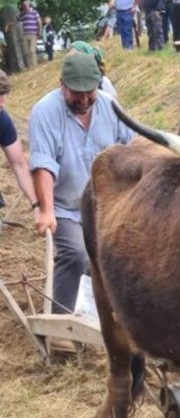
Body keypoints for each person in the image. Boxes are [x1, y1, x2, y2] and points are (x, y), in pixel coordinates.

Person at [28, 53, 135, 314]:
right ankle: (61, 321)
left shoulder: (111, 107)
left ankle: (110, 317)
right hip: (64, 206)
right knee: (75, 253)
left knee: (115, 259)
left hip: (104, 206)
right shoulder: (45, 112)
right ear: (62, 84)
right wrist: (47, 210)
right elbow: (43, 165)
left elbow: (131, 151)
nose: (85, 100)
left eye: (90, 92)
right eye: (77, 93)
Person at [0, 69, 38, 217]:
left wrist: (36, 204)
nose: (1, 104)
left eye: (3, 96)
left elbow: (19, 165)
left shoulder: (3, 120)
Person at [19, 0, 41, 68]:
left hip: (33, 34)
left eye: (26, 4)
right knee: (27, 52)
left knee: (32, 50)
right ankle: (30, 67)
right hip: (25, 34)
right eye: (23, 5)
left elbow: (39, 22)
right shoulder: (23, 14)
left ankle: (35, 66)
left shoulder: (35, 12)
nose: (24, 5)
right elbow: (17, 20)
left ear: (28, 3)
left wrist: (39, 32)